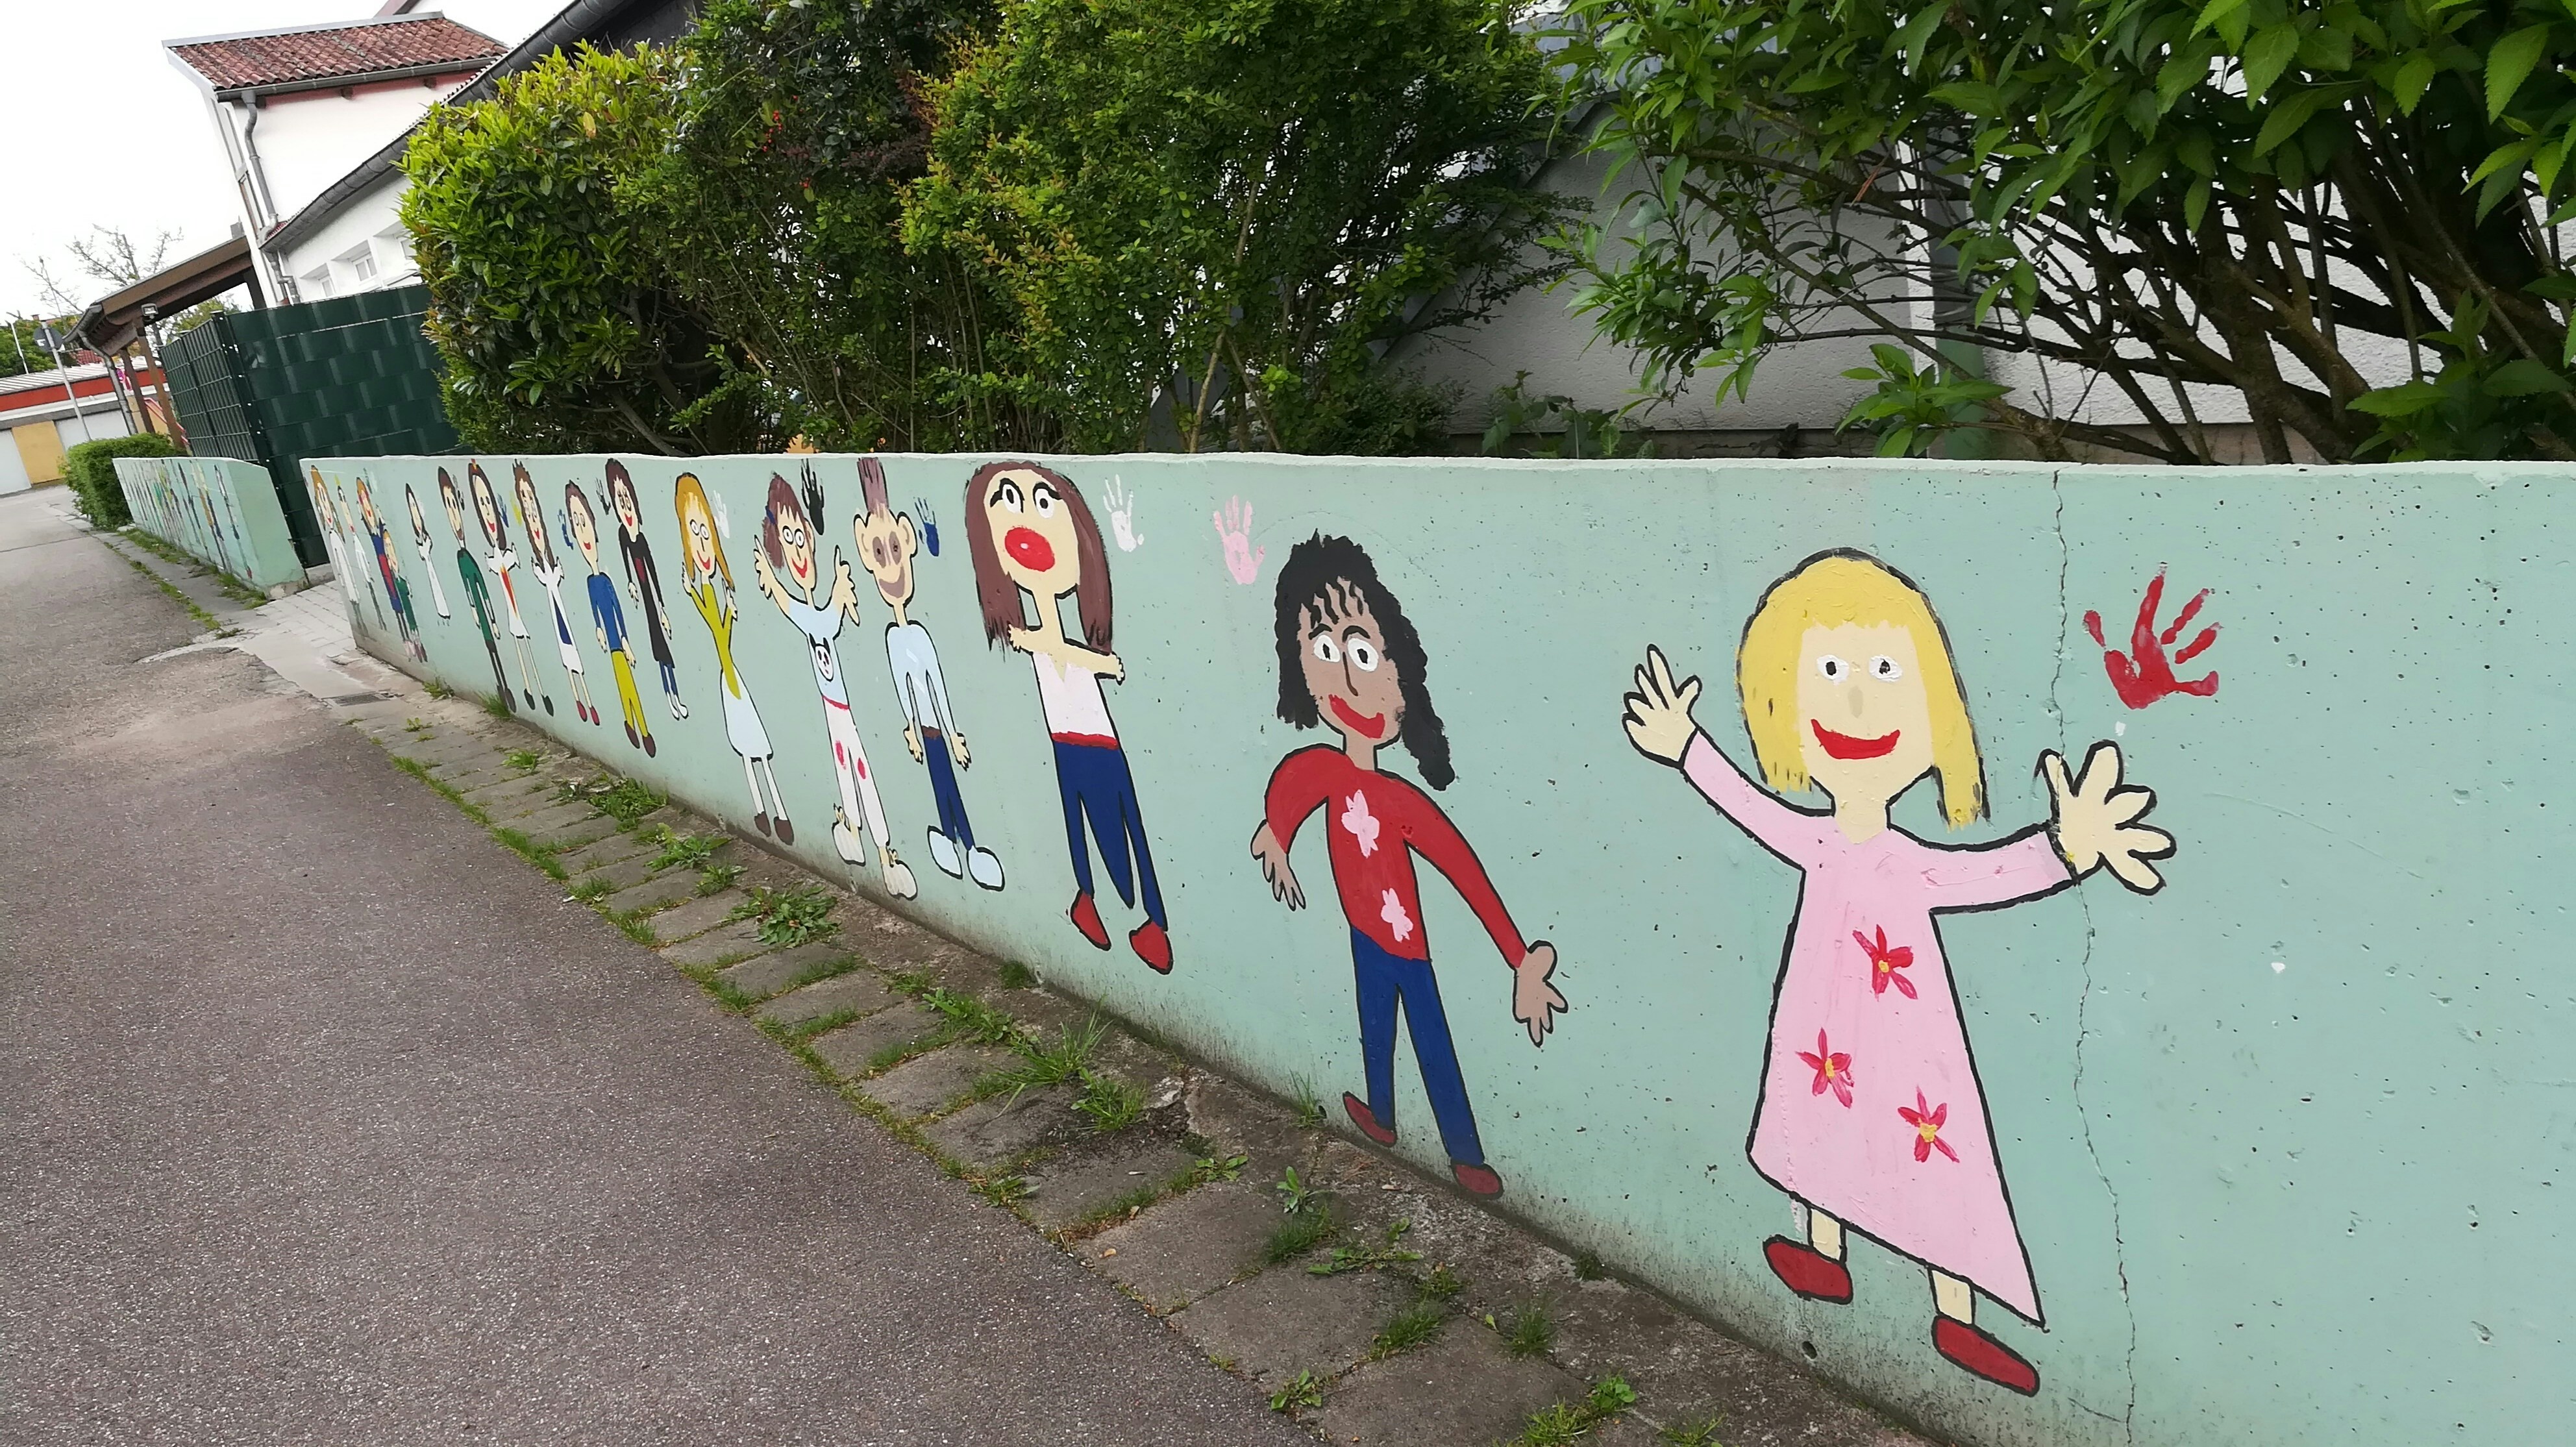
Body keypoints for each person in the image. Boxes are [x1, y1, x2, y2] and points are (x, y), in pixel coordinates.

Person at [1618, 549, 2175, 1396]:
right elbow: (1754, 808)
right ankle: (1823, 1250)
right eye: (1830, 671)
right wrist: (1687, 748)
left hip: (1911, 1051)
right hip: (1824, 1032)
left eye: (1885, 670)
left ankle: (1957, 1313)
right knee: (1815, 1115)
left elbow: (1989, 873)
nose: (1854, 699)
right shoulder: (1817, 841)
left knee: (1936, 1157)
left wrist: (2071, 847)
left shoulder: (1909, 863)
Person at [1250, 534, 1564, 1199]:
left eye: (1363, 654)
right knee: (1373, 1029)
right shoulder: (1327, 771)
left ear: (1399, 679)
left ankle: (1466, 1155)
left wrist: (1520, 960)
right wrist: (1275, 836)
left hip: (1408, 947)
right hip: (1366, 939)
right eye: (1326, 653)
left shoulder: (1399, 802)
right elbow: (1292, 788)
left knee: (1432, 1044)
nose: (1346, 677)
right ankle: (1384, 1116)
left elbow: (1463, 871)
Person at [962, 461, 1169, 971]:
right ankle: (1090, 900)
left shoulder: (1041, 637)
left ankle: (1149, 919)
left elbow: (1076, 653)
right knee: (1082, 824)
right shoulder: (1029, 637)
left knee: (1129, 828)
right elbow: (1069, 653)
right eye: (1006, 501)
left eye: (1044, 502)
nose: (1027, 517)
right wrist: (1097, 661)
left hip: (1100, 740)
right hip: (1070, 739)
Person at [754, 464, 916, 898]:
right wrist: (780, 585)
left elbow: (817, 619)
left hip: (844, 710)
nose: (798, 548)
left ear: (809, 534)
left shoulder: (822, 613)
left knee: (860, 771)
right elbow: (811, 617)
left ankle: (885, 853)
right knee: (847, 768)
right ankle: (855, 831)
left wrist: (836, 593)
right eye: (786, 540)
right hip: (832, 709)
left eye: (799, 535)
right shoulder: (818, 610)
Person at [855, 457, 1002, 889]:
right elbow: (905, 691)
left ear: (908, 539)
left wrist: (953, 731)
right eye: (879, 554)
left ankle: (970, 846)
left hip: (938, 728)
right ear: (867, 551)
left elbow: (935, 683)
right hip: (925, 731)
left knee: (951, 788)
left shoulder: (918, 636)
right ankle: (953, 842)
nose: (890, 567)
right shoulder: (893, 638)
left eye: (895, 550)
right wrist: (910, 730)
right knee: (942, 789)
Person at [676, 472, 791, 839]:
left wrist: (727, 605)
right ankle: (762, 808)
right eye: (695, 535)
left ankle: (778, 809)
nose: (703, 544)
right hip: (729, 681)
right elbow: (717, 629)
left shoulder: (722, 597)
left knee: (757, 746)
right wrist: (697, 594)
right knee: (746, 749)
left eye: (706, 533)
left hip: (734, 680)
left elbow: (722, 629)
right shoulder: (711, 597)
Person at [567, 480, 651, 754]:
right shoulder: (591, 583)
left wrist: (625, 639)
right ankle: (631, 722)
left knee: (630, 684)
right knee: (622, 681)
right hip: (611, 641)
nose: (584, 534)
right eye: (576, 525)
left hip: (618, 639)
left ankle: (641, 727)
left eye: (585, 523)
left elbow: (617, 609)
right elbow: (595, 611)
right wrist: (598, 630)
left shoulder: (605, 580)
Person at [608, 460, 685, 721]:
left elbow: (652, 572)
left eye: (627, 498)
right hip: (642, 601)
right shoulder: (623, 534)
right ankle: (670, 699)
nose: (625, 506)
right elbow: (626, 563)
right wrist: (630, 583)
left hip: (652, 599)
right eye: (619, 500)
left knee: (666, 652)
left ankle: (675, 696)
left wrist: (662, 607)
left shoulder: (641, 537)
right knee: (657, 650)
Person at [470, 461, 547, 713]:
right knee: (518, 643)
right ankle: (526, 685)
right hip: (508, 609)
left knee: (526, 642)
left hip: (517, 607)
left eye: (488, 504)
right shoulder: (494, 556)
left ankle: (539, 688)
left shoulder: (505, 554)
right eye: (482, 506)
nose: (487, 512)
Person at [440, 469, 511, 709]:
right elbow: (472, 591)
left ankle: (505, 686)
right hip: (479, 610)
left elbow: (481, 586)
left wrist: (491, 616)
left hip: (486, 611)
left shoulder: (469, 558)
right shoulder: (462, 558)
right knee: (491, 647)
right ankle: (502, 686)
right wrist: (474, 609)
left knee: (494, 645)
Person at [405, 484, 451, 621]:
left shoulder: (428, 540)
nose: (415, 515)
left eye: (416, 508)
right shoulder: (420, 542)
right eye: (411, 509)